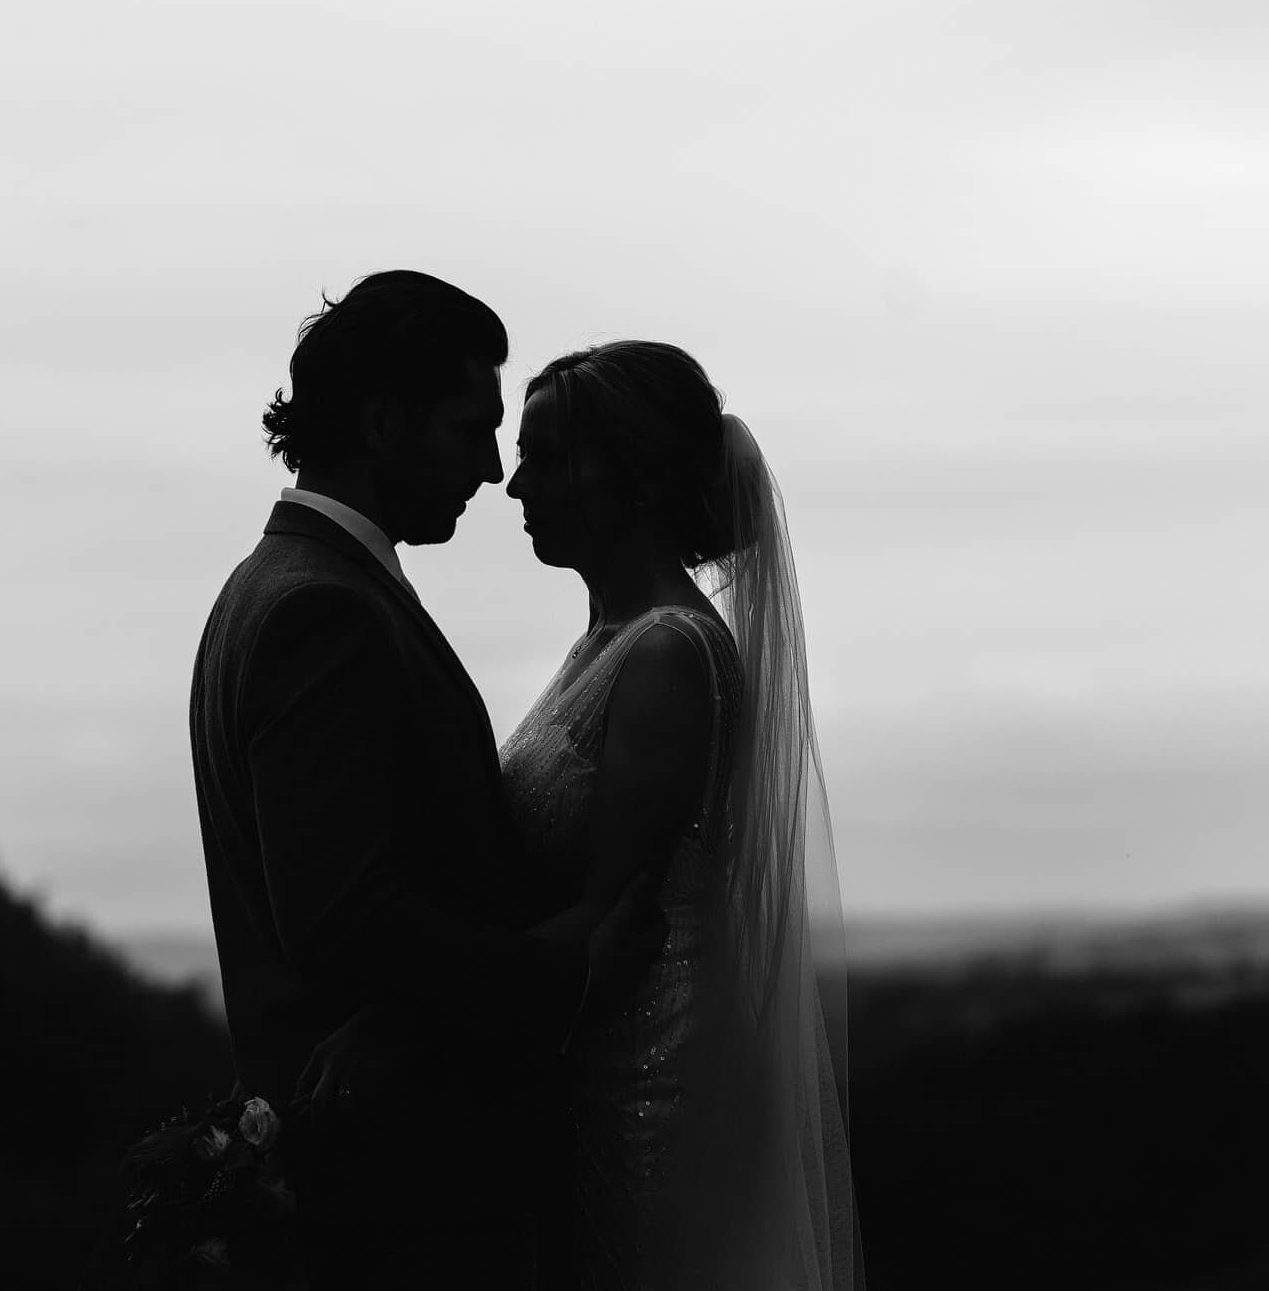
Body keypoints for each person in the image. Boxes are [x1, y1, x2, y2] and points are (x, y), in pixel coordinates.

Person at [187, 272, 658, 1288]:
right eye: (467, 427)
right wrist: (569, 971)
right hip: (392, 1186)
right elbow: (345, 915)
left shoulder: (273, 587)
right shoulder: (324, 610)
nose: (492, 469)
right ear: (381, 419)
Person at [502, 340, 864, 1289]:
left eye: (543, 457)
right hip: (591, 1060)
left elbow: (612, 915)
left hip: (643, 1080)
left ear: (624, 475)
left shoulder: (668, 652)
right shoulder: (609, 641)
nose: (513, 484)